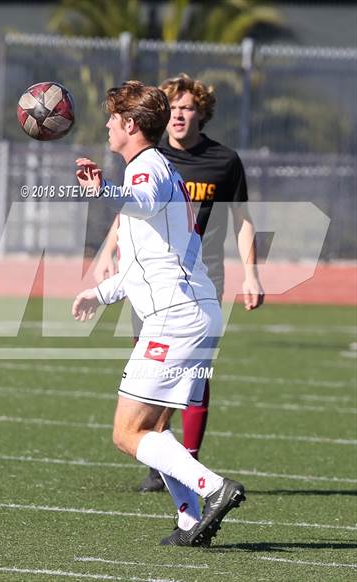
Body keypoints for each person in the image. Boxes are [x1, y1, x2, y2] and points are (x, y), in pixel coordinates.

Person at [72, 80, 245, 547]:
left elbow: (142, 202)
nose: (107, 125)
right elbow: (147, 261)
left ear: (130, 125)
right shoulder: (159, 165)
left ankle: (212, 489)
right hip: (194, 310)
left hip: (177, 317)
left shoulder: (145, 167)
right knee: (153, 427)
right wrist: (100, 293)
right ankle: (190, 519)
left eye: (112, 118)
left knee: (127, 433)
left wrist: (104, 189)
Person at [95, 74, 264, 492]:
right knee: (155, 395)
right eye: (174, 106)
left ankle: (199, 475)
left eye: (187, 107)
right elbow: (135, 214)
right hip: (165, 286)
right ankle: (180, 494)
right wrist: (105, 264)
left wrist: (252, 272)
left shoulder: (209, 162)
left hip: (188, 287)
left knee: (166, 399)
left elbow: (146, 202)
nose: (179, 114)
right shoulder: (157, 160)